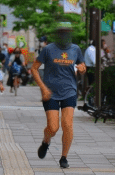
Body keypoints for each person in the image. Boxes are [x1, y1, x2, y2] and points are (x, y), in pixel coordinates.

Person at [31, 22, 85, 169]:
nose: (64, 34)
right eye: (61, 32)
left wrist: (81, 68)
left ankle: (64, 157)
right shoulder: (48, 49)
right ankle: (46, 141)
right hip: (51, 93)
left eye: (67, 32)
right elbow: (34, 69)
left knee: (67, 124)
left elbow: (82, 66)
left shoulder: (75, 49)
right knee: (53, 127)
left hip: (69, 91)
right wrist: (43, 88)